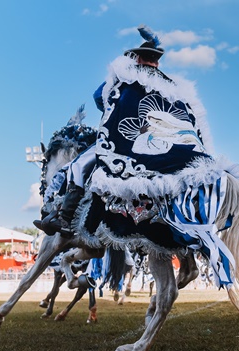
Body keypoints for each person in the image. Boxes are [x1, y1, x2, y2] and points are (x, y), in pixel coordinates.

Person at [35, 25, 209, 237]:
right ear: (157, 62)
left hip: (130, 144)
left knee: (79, 166)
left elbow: (100, 97)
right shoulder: (172, 87)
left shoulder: (126, 80)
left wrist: (119, 73)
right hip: (176, 150)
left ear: (135, 59)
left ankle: (65, 219)